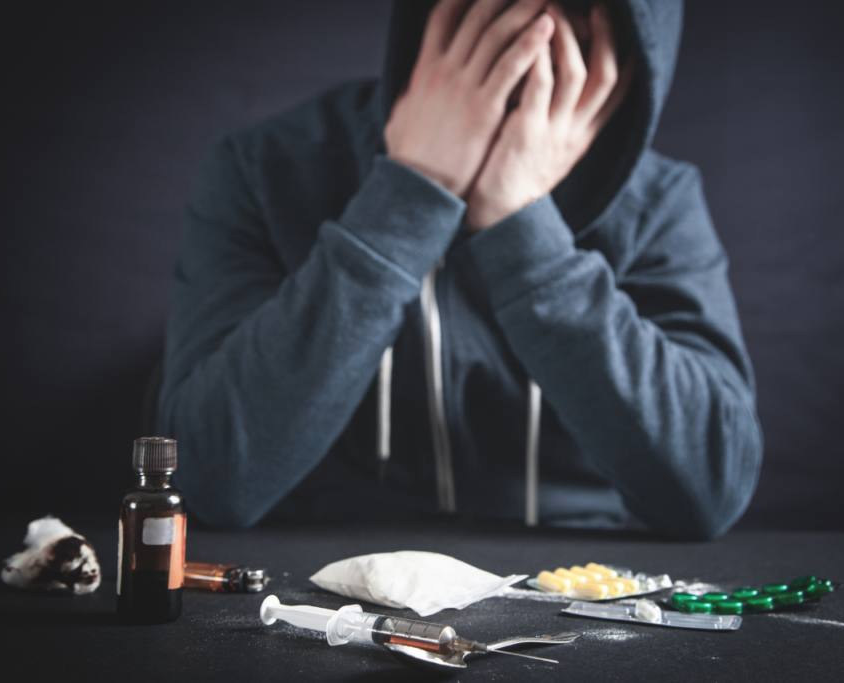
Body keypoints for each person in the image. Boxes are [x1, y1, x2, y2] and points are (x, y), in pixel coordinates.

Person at [157, 0, 762, 539]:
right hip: (313, 584)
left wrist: (524, 226)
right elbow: (208, 482)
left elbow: (709, 491)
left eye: (576, 6)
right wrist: (409, 196)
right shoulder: (267, 167)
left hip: (570, 596)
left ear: (628, 49)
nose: (535, 31)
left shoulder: (655, 199)